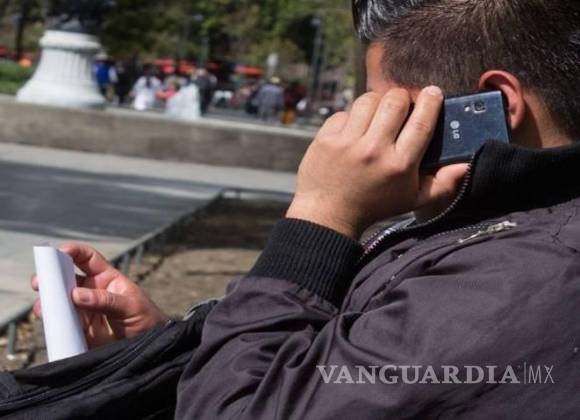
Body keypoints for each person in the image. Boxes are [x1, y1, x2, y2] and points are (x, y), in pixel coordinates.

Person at [31, 0, 580, 418]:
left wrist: (322, 211)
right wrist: (171, 349)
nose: (364, 131)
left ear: (496, 106)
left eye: (387, 109)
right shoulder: (506, 233)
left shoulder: (519, 279)